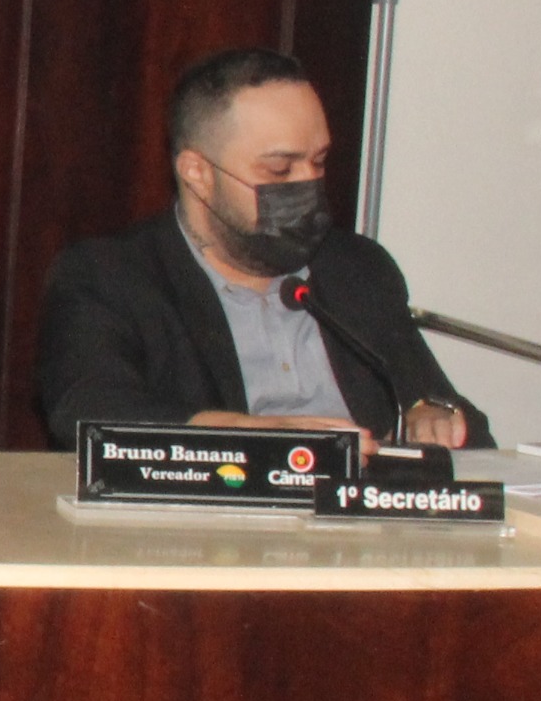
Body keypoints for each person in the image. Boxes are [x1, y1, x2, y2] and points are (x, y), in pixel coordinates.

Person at [35, 48, 486, 450]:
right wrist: (251, 437)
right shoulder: (112, 275)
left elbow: (443, 410)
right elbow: (86, 408)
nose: (308, 185)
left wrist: (433, 417)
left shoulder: (356, 267)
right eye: (279, 170)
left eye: (319, 162)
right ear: (197, 173)